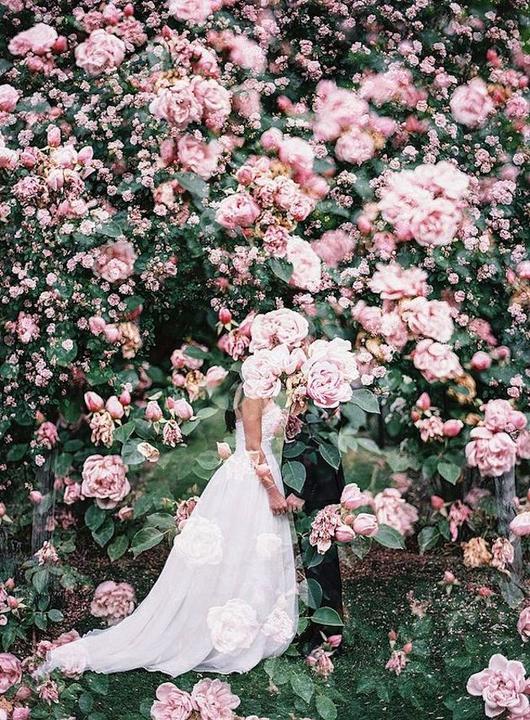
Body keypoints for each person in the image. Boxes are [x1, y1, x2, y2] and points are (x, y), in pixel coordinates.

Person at [39, 395, 298, 678]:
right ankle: (220, 628)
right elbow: (252, 448)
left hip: (258, 477)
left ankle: (252, 624)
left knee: (251, 553)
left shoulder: (270, 390)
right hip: (249, 481)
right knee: (235, 551)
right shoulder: (252, 393)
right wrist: (273, 491)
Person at [284, 419, 345, 648]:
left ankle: (326, 632)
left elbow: (320, 433)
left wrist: (302, 490)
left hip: (316, 487)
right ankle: (307, 624)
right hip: (294, 478)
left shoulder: (312, 408)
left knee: (319, 559)